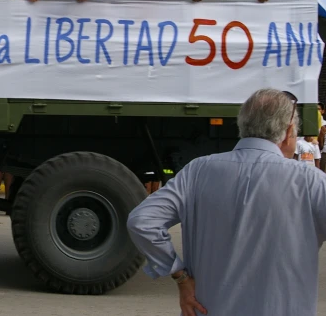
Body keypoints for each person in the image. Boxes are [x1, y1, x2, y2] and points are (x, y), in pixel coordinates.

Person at [128, 88, 326, 316]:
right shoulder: (310, 181)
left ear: (242, 124)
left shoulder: (198, 171)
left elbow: (142, 221)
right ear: (289, 130)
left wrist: (180, 276)